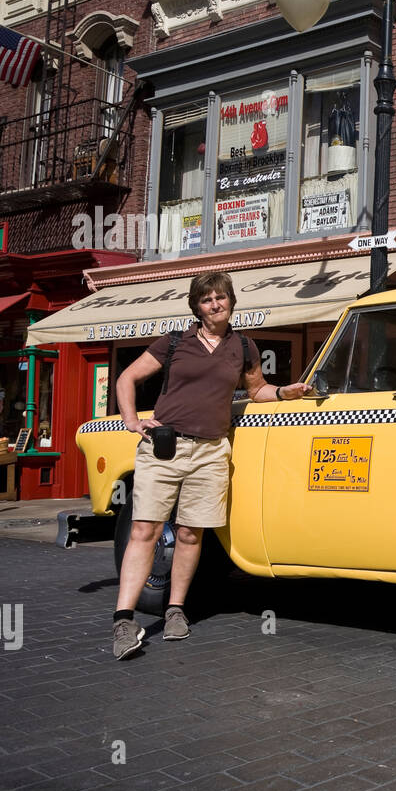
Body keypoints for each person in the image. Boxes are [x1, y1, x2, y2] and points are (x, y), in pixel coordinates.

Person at [110, 272, 313, 660]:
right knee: (144, 529)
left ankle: (175, 610)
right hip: (164, 448)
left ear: (232, 302)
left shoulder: (244, 346)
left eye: (221, 298)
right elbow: (127, 377)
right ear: (196, 306)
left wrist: (285, 392)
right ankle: (123, 619)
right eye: (207, 300)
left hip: (212, 451)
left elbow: (257, 390)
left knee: (190, 534)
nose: (215, 304)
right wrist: (132, 421)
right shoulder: (174, 342)